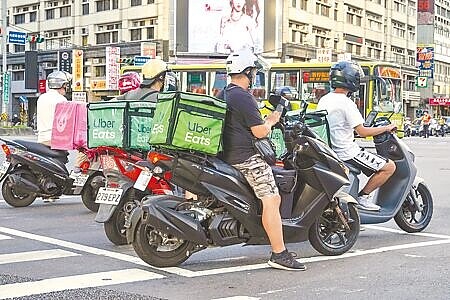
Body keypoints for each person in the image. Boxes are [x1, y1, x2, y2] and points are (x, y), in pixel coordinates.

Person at [218, 48, 306, 271]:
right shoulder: (243, 96)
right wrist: (273, 120)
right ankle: (279, 253)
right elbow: (259, 132)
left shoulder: (224, 93)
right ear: (248, 72)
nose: (254, 75)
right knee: (272, 199)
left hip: (227, 156)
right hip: (246, 157)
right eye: (253, 71)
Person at [317, 61, 397, 211]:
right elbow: (363, 132)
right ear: (351, 80)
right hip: (347, 152)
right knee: (389, 167)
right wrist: (386, 128)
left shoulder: (324, 99)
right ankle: (363, 198)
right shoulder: (346, 103)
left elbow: (337, 126)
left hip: (332, 150)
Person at [37, 71, 71, 145]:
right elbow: (66, 121)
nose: (66, 87)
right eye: (66, 85)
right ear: (62, 85)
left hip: (42, 139)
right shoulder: (61, 100)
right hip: (56, 139)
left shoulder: (41, 97)